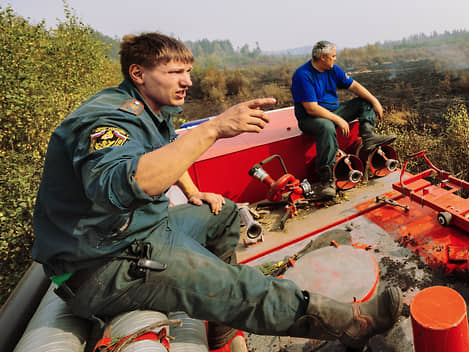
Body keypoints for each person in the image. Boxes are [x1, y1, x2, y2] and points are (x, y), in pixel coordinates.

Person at [31, 33, 402, 351]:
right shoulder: (107, 119)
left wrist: (194, 193)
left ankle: (224, 333)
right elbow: (125, 184)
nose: (187, 80)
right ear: (138, 74)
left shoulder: (148, 110)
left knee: (222, 213)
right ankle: (351, 323)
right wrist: (212, 129)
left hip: (138, 232)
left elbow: (163, 153)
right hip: (107, 265)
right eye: (176, 72)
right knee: (245, 285)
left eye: (188, 71)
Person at [291, 40, 395, 199]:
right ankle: (327, 180)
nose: (335, 58)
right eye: (333, 56)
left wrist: (374, 101)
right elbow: (311, 108)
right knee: (326, 126)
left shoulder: (333, 70)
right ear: (323, 57)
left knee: (364, 102)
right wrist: (338, 120)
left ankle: (368, 137)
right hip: (311, 118)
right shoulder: (303, 75)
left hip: (333, 111)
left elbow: (354, 87)